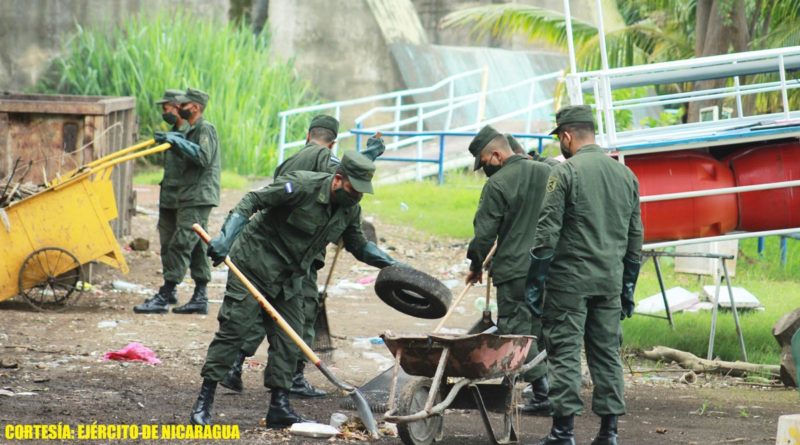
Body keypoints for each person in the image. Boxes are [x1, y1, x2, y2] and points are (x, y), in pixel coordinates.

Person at [189, 151, 399, 428]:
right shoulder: (300, 185)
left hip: (289, 277)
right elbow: (253, 200)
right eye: (353, 189)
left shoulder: (350, 209)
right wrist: (226, 237)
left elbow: (358, 246)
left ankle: (279, 406)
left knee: (291, 340)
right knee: (234, 330)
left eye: (362, 192)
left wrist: (394, 265)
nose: (357, 196)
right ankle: (204, 402)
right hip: (254, 264)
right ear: (338, 179)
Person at [220, 115, 385, 398]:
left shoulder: (289, 162)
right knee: (301, 313)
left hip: (271, 251)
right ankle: (293, 376)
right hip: (298, 256)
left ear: (308, 135)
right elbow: (347, 173)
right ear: (332, 144)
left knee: (263, 309)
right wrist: (371, 153)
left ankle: (234, 366)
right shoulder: (325, 160)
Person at [526, 105, 643, 445]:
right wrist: (627, 286)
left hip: (569, 283)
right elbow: (635, 240)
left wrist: (535, 282)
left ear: (566, 136)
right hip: (609, 280)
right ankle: (609, 434)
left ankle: (563, 433)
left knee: (564, 353)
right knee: (607, 354)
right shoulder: (626, 175)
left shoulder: (565, 173)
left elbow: (546, 235)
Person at [465, 125, 552, 415]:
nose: (484, 170)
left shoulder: (497, 184)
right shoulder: (548, 173)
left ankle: (532, 393)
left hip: (515, 271)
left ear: (497, 154)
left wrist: (476, 264)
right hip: (549, 268)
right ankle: (545, 392)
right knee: (540, 329)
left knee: (514, 332)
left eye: (485, 162)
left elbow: (484, 235)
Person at [134, 88, 221, 315]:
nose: (179, 108)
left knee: (181, 243)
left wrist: (177, 141)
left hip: (198, 196)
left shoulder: (205, 128)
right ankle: (200, 297)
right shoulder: (192, 131)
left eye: (185, 104)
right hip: (189, 196)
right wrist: (176, 139)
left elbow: (203, 157)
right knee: (196, 247)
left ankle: (165, 294)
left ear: (195, 107)